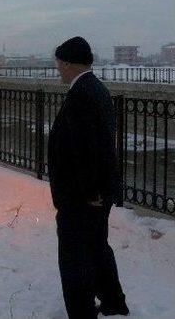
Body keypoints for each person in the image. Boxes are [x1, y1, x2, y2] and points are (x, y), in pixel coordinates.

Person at [48, 36, 128, 319]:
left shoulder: (82, 94)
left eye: (59, 62)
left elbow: (87, 149)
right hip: (92, 192)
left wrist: (90, 191)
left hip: (82, 195)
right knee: (96, 246)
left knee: (74, 255)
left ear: (68, 63)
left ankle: (81, 312)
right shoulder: (93, 88)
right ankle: (113, 302)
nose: (57, 68)